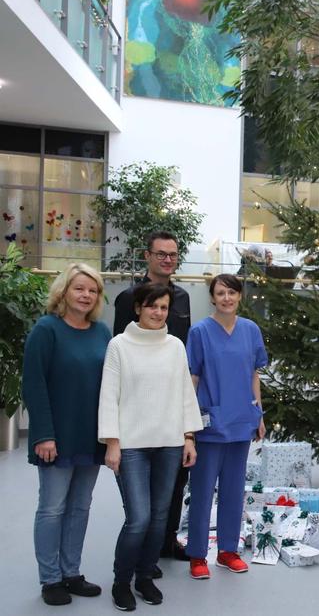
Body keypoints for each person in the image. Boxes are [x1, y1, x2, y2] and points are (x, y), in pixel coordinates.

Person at [99, 282, 203, 611]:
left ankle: (144, 577)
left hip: (170, 443)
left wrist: (188, 437)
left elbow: (185, 394)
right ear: (138, 307)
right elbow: (108, 396)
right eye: (152, 306)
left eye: (163, 308)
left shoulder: (174, 346)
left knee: (160, 518)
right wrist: (112, 443)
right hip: (131, 446)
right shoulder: (119, 345)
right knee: (139, 518)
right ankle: (121, 581)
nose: (158, 313)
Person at [22, 264, 110, 606]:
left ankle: (71, 572)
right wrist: (43, 434)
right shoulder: (47, 330)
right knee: (52, 508)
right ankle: (50, 579)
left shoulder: (101, 333)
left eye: (92, 290)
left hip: (91, 435)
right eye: (79, 288)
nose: (86, 295)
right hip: (56, 436)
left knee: (80, 507)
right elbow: (34, 385)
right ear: (64, 292)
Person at [113, 231, 192, 563]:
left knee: (173, 486)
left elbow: (185, 354)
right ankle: (142, 549)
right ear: (147, 256)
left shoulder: (184, 297)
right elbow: (117, 357)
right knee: (141, 497)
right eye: (161, 254)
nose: (167, 260)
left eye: (173, 255)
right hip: (139, 412)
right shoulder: (128, 297)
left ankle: (167, 541)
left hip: (171, 410)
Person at [185, 274, 268, 580]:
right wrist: (188, 427)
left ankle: (227, 551)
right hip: (209, 423)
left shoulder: (250, 330)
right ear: (212, 298)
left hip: (241, 421)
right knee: (203, 491)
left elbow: (253, 375)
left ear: (239, 297)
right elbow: (192, 378)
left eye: (231, 293)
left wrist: (259, 413)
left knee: (234, 491)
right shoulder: (200, 332)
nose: (226, 298)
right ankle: (197, 554)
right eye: (220, 293)